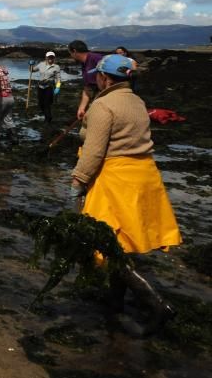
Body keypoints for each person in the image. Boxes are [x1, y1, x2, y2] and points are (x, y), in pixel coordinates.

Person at [70, 54, 181, 336]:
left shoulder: (103, 105)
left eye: (98, 75)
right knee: (120, 243)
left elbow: (95, 152)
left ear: (105, 78)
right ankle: (115, 300)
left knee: (107, 246)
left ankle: (157, 306)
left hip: (115, 180)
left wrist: (78, 180)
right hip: (144, 176)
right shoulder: (136, 101)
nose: (95, 78)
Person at [68, 40, 105, 120]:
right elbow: (87, 88)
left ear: (74, 51)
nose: (71, 56)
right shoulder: (83, 63)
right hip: (95, 101)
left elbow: (109, 80)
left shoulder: (97, 58)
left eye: (70, 53)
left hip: (103, 102)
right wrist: (82, 108)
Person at [33, 51, 62, 123]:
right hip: (40, 87)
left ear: (54, 58)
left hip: (48, 87)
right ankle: (47, 116)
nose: (50, 58)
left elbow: (58, 78)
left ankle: (48, 119)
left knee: (47, 104)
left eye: (52, 57)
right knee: (40, 104)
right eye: (49, 57)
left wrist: (58, 87)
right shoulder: (41, 64)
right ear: (46, 57)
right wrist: (31, 65)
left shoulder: (56, 67)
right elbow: (32, 70)